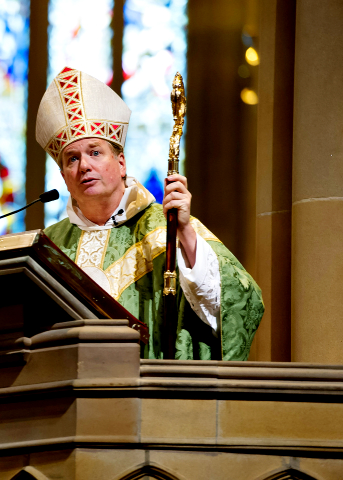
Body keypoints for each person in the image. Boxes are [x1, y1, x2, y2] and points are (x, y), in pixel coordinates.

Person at [37, 67, 263, 360]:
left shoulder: (167, 226)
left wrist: (186, 235)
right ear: (64, 176)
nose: (84, 166)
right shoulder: (49, 245)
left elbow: (242, 300)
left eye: (95, 152)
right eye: (72, 158)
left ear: (121, 163)